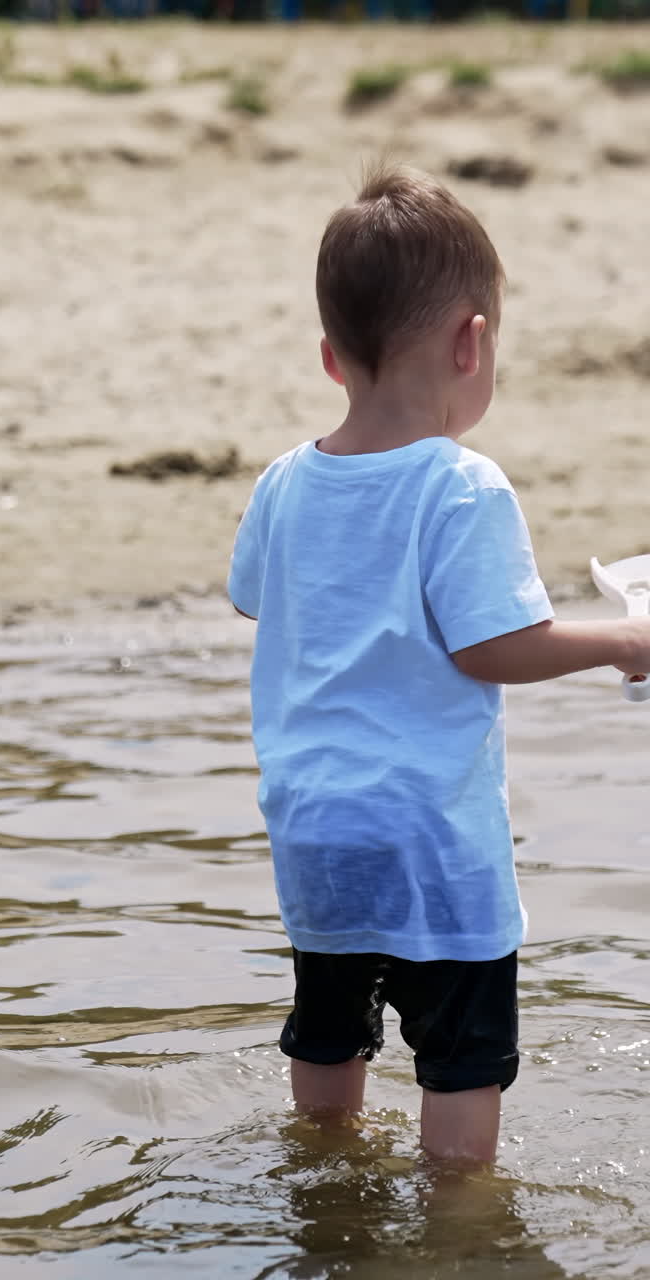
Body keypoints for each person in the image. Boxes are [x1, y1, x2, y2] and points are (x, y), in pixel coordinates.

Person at [227, 165, 650, 1162]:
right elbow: (493, 643)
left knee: (328, 1029)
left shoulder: (286, 480)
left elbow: (255, 592)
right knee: (460, 1059)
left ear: (333, 357)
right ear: (474, 341)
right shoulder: (463, 486)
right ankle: (460, 1232)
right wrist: (628, 642)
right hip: (432, 839)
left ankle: (325, 1183)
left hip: (313, 824)